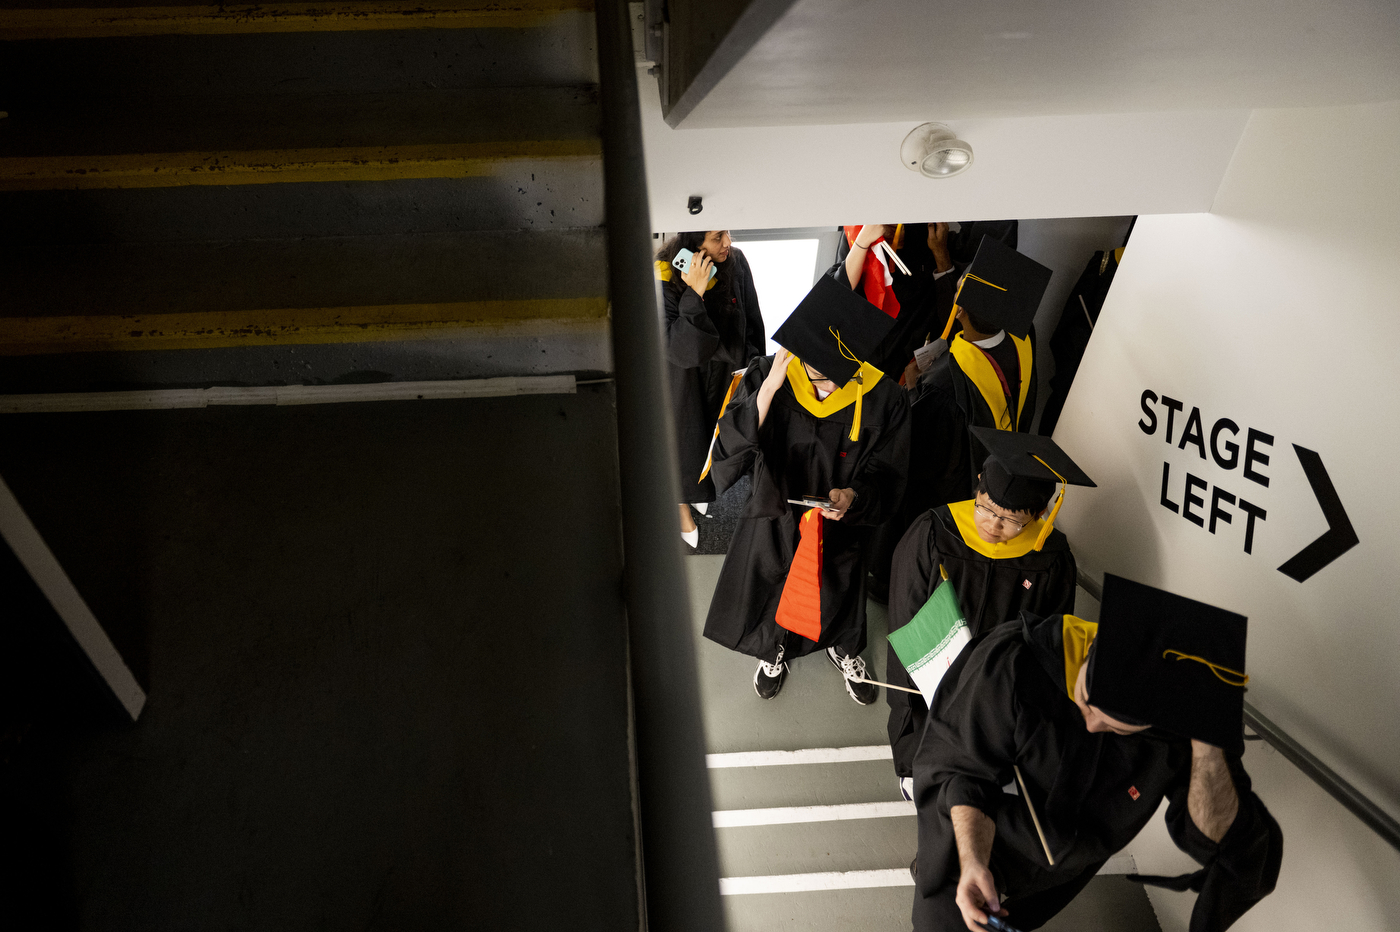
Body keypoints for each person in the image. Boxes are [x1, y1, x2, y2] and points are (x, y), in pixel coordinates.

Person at [911, 574, 1282, 932]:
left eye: (1116, 729)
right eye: (1086, 701)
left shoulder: (1184, 725)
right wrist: (974, 860)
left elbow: (1224, 842)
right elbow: (960, 770)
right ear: (1091, 648)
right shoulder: (1015, 661)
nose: (1090, 724)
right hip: (972, 845)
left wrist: (1207, 746)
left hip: (1060, 872)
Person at [703, 275, 910, 702]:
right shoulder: (767, 375)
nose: (831, 386)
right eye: (820, 374)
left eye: (841, 376)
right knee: (771, 586)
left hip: (840, 520)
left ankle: (842, 646)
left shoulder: (884, 397)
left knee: (835, 587)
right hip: (773, 512)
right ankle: (772, 650)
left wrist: (856, 498)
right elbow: (728, 450)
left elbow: (890, 471)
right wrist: (769, 391)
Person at [885, 429, 1092, 800]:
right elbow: (906, 624)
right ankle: (912, 762)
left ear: (1041, 514)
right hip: (933, 665)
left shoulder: (1052, 558)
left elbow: (1049, 638)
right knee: (920, 711)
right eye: (986, 508)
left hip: (997, 680)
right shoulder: (935, 532)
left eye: (1011, 520)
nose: (993, 526)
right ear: (979, 484)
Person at [905, 236, 1054, 510]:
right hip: (1005, 470)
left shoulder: (943, 384)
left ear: (958, 310)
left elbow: (922, 454)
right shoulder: (1024, 338)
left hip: (956, 495)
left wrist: (913, 387)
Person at [655, 230, 765, 548]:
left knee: (715, 439)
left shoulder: (736, 261)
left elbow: (751, 317)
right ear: (692, 243)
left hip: (727, 373)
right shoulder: (662, 273)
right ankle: (679, 505)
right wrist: (694, 292)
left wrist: (753, 366)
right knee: (684, 445)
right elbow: (680, 349)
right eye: (717, 237)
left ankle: (701, 490)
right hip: (684, 379)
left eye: (728, 232)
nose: (727, 242)